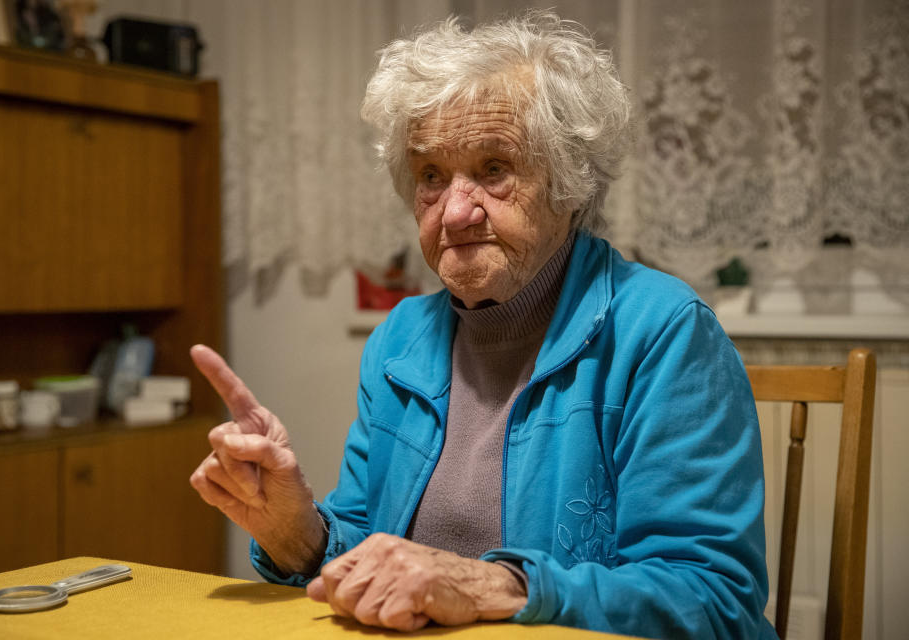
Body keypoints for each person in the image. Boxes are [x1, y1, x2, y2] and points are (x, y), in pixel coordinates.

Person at [190, 11, 776, 638]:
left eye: (494, 168)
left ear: (570, 183)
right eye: (430, 177)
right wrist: (296, 531)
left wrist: (492, 585)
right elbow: (365, 550)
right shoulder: (400, 339)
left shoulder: (664, 331)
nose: (456, 211)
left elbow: (713, 598)